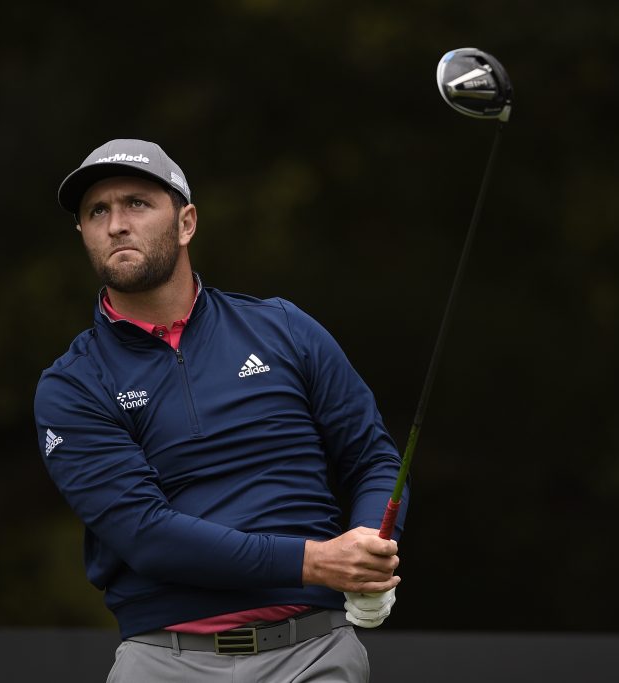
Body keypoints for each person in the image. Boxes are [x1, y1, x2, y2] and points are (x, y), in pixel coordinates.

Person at [34, 138, 408, 682]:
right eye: (98, 211)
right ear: (84, 234)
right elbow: (148, 534)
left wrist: (371, 551)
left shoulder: (284, 329)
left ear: (186, 223)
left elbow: (374, 459)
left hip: (312, 653)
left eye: (137, 203)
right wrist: (318, 562)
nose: (116, 224)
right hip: (166, 661)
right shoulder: (72, 384)